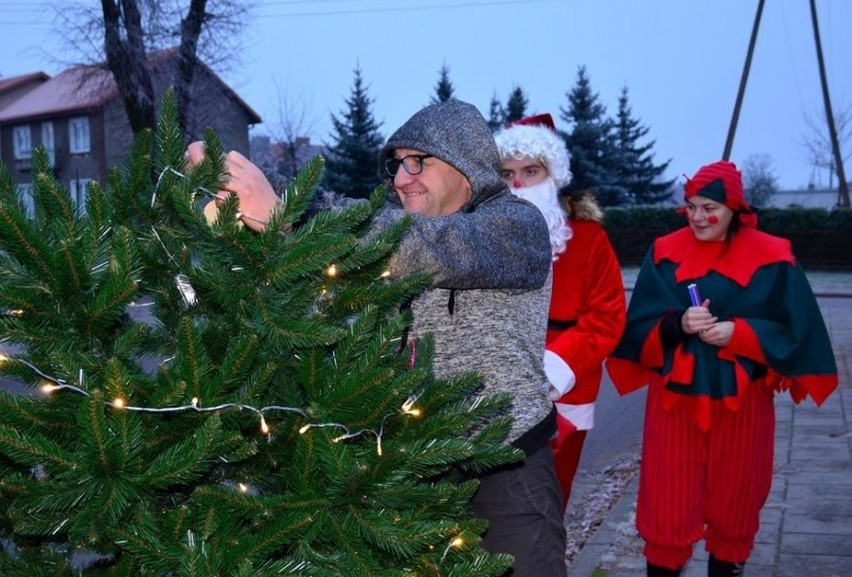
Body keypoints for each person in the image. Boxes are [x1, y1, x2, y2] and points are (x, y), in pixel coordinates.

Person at [187, 100, 567, 577]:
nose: (401, 179)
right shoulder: (391, 218)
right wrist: (235, 179)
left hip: (508, 470)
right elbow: (339, 210)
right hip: (408, 470)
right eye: (395, 166)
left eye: (417, 162)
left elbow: (430, 247)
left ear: (464, 162)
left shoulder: (516, 225)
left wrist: (285, 211)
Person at [605, 160, 838, 577]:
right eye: (691, 206)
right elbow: (637, 328)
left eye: (708, 206)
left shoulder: (774, 257)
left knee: (737, 502)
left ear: (735, 208)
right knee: (667, 508)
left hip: (743, 402)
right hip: (675, 404)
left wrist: (741, 334)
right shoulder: (663, 252)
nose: (697, 216)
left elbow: (798, 329)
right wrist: (677, 324)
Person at [494, 113, 626, 512]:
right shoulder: (484, 236)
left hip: (565, 390)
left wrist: (554, 369)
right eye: (507, 173)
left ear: (552, 176)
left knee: (548, 504)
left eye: (530, 171)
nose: (518, 184)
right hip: (496, 388)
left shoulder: (588, 239)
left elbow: (607, 316)